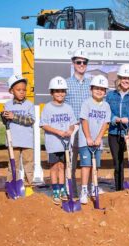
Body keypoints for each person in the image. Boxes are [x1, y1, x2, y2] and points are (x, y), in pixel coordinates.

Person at [40, 76, 76, 204]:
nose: (60, 94)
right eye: (57, 91)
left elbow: (72, 123)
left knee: (63, 166)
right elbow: (44, 125)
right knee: (54, 167)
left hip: (66, 145)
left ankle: (62, 189)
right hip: (53, 144)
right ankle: (55, 190)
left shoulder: (68, 107)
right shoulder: (47, 108)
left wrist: (70, 130)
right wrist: (59, 132)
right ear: (51, 93)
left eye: (62, 91)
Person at [106, 64, 129, 191]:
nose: (126, 81)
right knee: (118, 163)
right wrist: (114, 119)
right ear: (119, 79)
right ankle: (119, 190)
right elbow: (106, 111)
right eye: (123, 78)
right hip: (114, 133)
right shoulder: (110, 95)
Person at [78, 75, 111, 204]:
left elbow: (105, 124)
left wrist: (98, 138)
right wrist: (88, 137)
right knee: (86, 166)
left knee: (95, 166)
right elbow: (84, 120)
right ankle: (84, 190)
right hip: (85, 140)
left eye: (102, 89)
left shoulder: (106, 106)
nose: (99, 91)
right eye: (97, 88)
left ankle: (93, 187)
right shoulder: (87, 103)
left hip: (97, 142)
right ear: (91, 89)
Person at [2, 74, 35, 196]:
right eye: (18, 90)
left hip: (27, 141)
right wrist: (3, 116)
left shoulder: (29, 105)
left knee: (28, 164)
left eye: (24, 90)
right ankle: (12, 185)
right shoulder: (7, 105)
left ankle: (28, 186)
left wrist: (14, 116)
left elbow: (30, 120)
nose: (22, 92)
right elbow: (5, 121)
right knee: (12, 164)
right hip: (13, 142)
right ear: (11, 91)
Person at [65, 48, 91, 197]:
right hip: (73, 128)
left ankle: (86, 191)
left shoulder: (91, 84)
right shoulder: (66, 84)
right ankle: (71, 191)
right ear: (73, 63)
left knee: (87, 163)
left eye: (84, 62)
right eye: (78, 62)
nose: (82, 64)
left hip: (88, 130)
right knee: (71, 162)